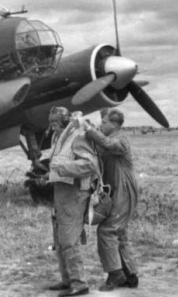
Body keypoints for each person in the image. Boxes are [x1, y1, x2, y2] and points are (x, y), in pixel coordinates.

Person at [85, 108, 140, 291]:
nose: (102, 125)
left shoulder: (121, 139)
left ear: (115, 124)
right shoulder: (108, 138)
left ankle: (115, 274)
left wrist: (89, 130)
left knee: (107, 231)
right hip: (116, 191)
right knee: (120, 232)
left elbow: (108, 144)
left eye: (105, 122)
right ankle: (130, 275)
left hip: (124, 190)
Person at [46, 107, 99, 297]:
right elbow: (59, 162)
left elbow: (90, 165)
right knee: (60, 240)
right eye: (51, 123)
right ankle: (67, 280)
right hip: (61, 192)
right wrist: (49, 174)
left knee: (69, 239)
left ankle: (79, 283)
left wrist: (62, 168)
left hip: (74, 193)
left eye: (54, 124)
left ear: (65, 122)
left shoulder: (78, 136)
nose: (52, 128)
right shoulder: (60, 138)